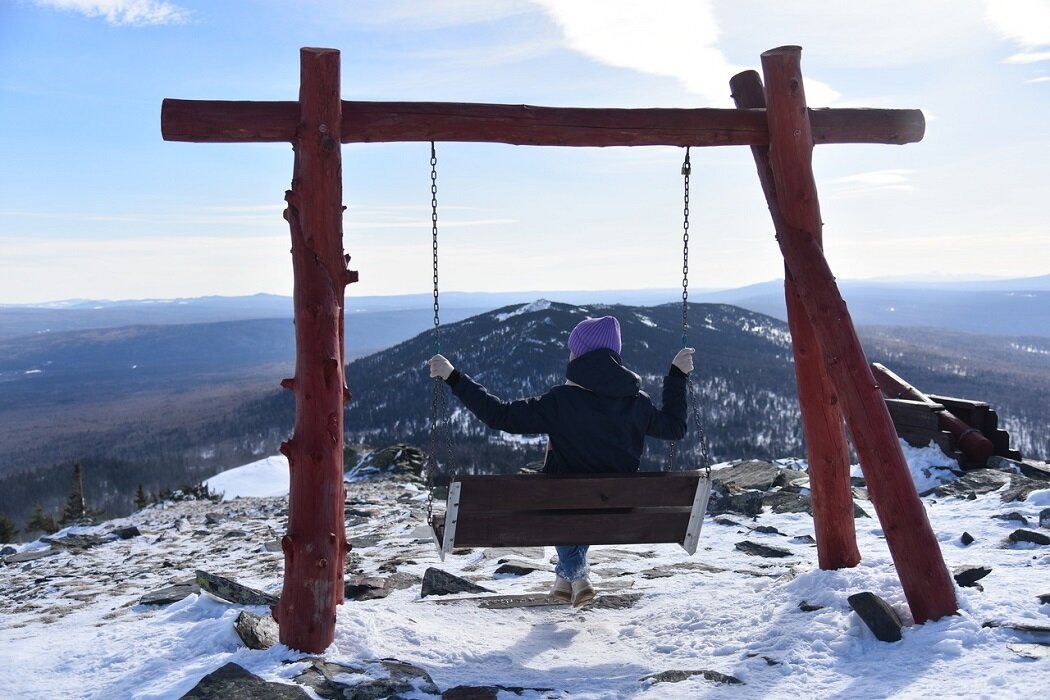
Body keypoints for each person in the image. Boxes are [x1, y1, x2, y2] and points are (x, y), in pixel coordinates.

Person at [429, 314, 695, 608]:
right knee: (583, 498)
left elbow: (498, 415)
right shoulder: (638, 403)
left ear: (579, 355)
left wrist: (454, 377)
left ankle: (579, 578)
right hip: (616, 510)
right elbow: (674, 428)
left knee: (559, 496)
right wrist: (677, 376)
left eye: (573, 348)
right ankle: (564, 580)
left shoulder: (560, 402)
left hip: (560, 508)